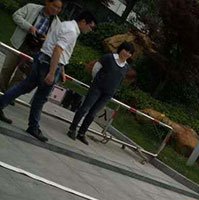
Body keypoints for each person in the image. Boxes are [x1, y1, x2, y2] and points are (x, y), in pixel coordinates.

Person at [0, 10, 97, 142]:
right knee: (40, 97)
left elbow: (57, 48)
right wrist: (52, 72)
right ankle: (33, 127)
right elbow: (57, 49)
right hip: (49, 64)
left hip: (43, 59)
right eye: (91, 26)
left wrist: (61, 70)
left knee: (24, 86)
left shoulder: (65, 25)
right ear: (83, 22)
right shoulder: (71, 31)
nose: (90, 30)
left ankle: (2, 104)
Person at [67, 42, 134, 145]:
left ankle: (82, 133)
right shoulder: (108, 58)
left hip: (108, 94)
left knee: (93, 113)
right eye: (126, 50)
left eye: (130, 53)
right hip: (97, 88)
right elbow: (96, 68)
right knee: (85, 108)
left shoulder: (126, 67)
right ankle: (72, 129)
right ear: (121, 49)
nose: (127, 54)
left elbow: (120, 80)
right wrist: (96, 81)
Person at [0, 0, 62, 92]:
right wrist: (29, 27)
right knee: (7, 68)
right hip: (19, 43)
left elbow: (57, 42)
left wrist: (47, 39)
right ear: (47, 2)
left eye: (59, 8)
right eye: (54, 6)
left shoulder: (58, 24)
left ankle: (9, 95)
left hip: (35, 51)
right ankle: (1, 90)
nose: (56, 9)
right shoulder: (31, 7)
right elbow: (16, 16)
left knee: (20, 75)